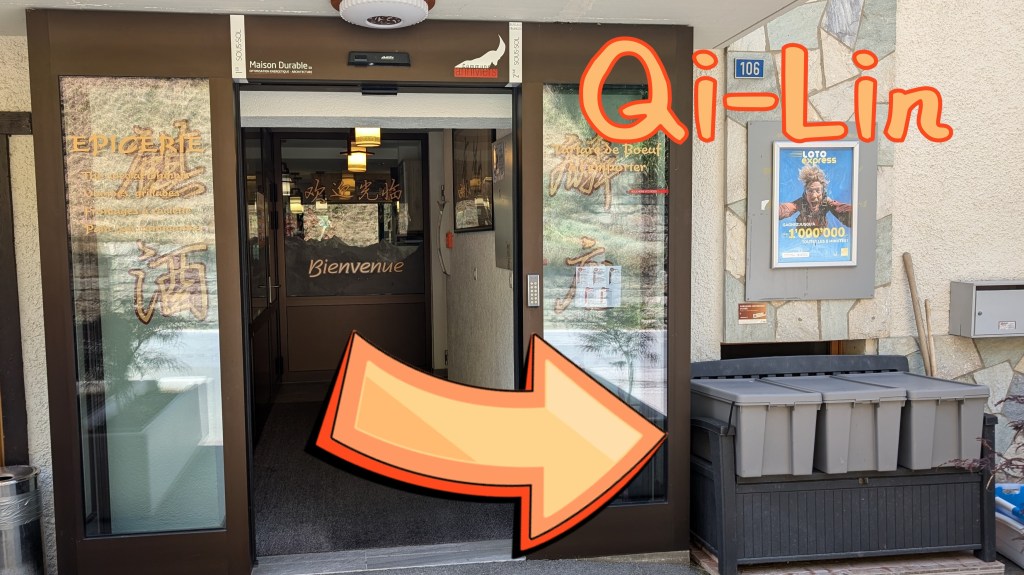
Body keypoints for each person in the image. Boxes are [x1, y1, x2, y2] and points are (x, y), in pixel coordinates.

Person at [778, 165, 852, 227]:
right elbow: (786, 208)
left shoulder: (826, 202)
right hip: (803, 229)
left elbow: (841, 209)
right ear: (805, 192)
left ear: (822, 192)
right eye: (810, 191)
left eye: (818, 191)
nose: (814, 196)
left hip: (820, 229)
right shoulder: (801, 202)